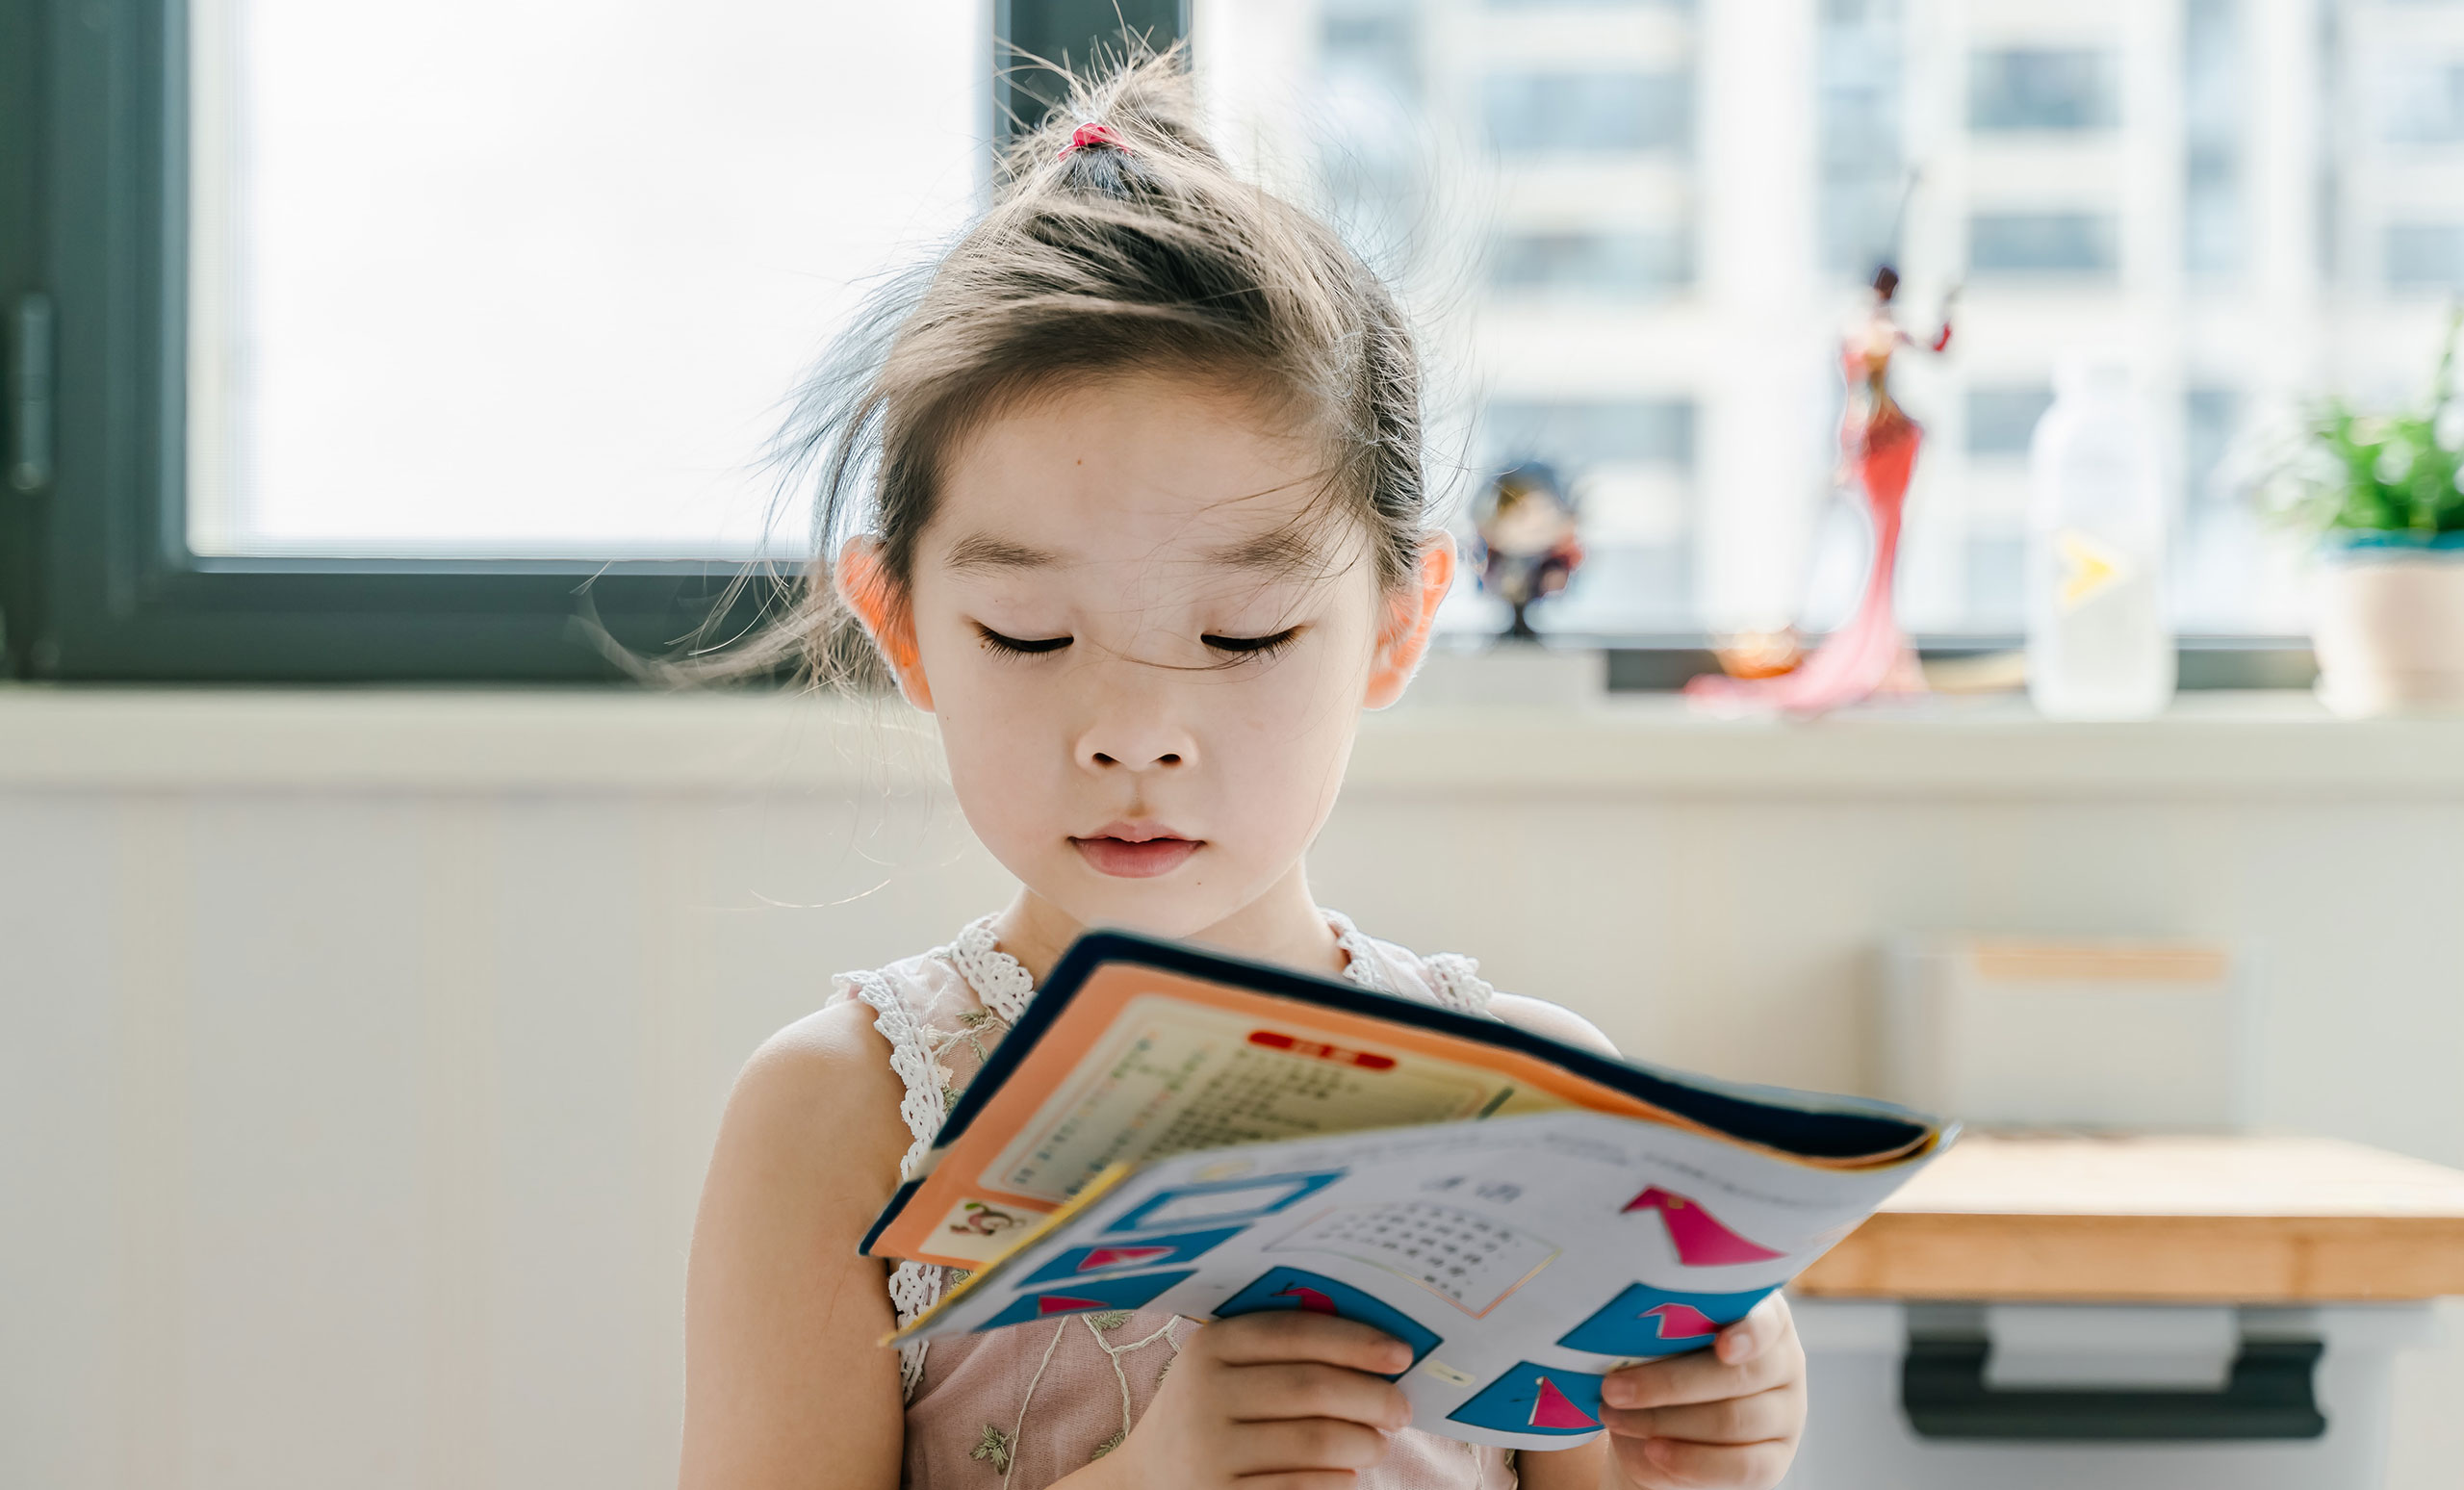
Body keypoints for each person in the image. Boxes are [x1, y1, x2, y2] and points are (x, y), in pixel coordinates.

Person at [680, 49, 1806, 1490]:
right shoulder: (841, 1119)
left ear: (1396, 625)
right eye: (1029, 634)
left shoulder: (1540, 1108)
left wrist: (1696, 1450)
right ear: (900, 624)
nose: (1135, 729)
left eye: (1244, 633)